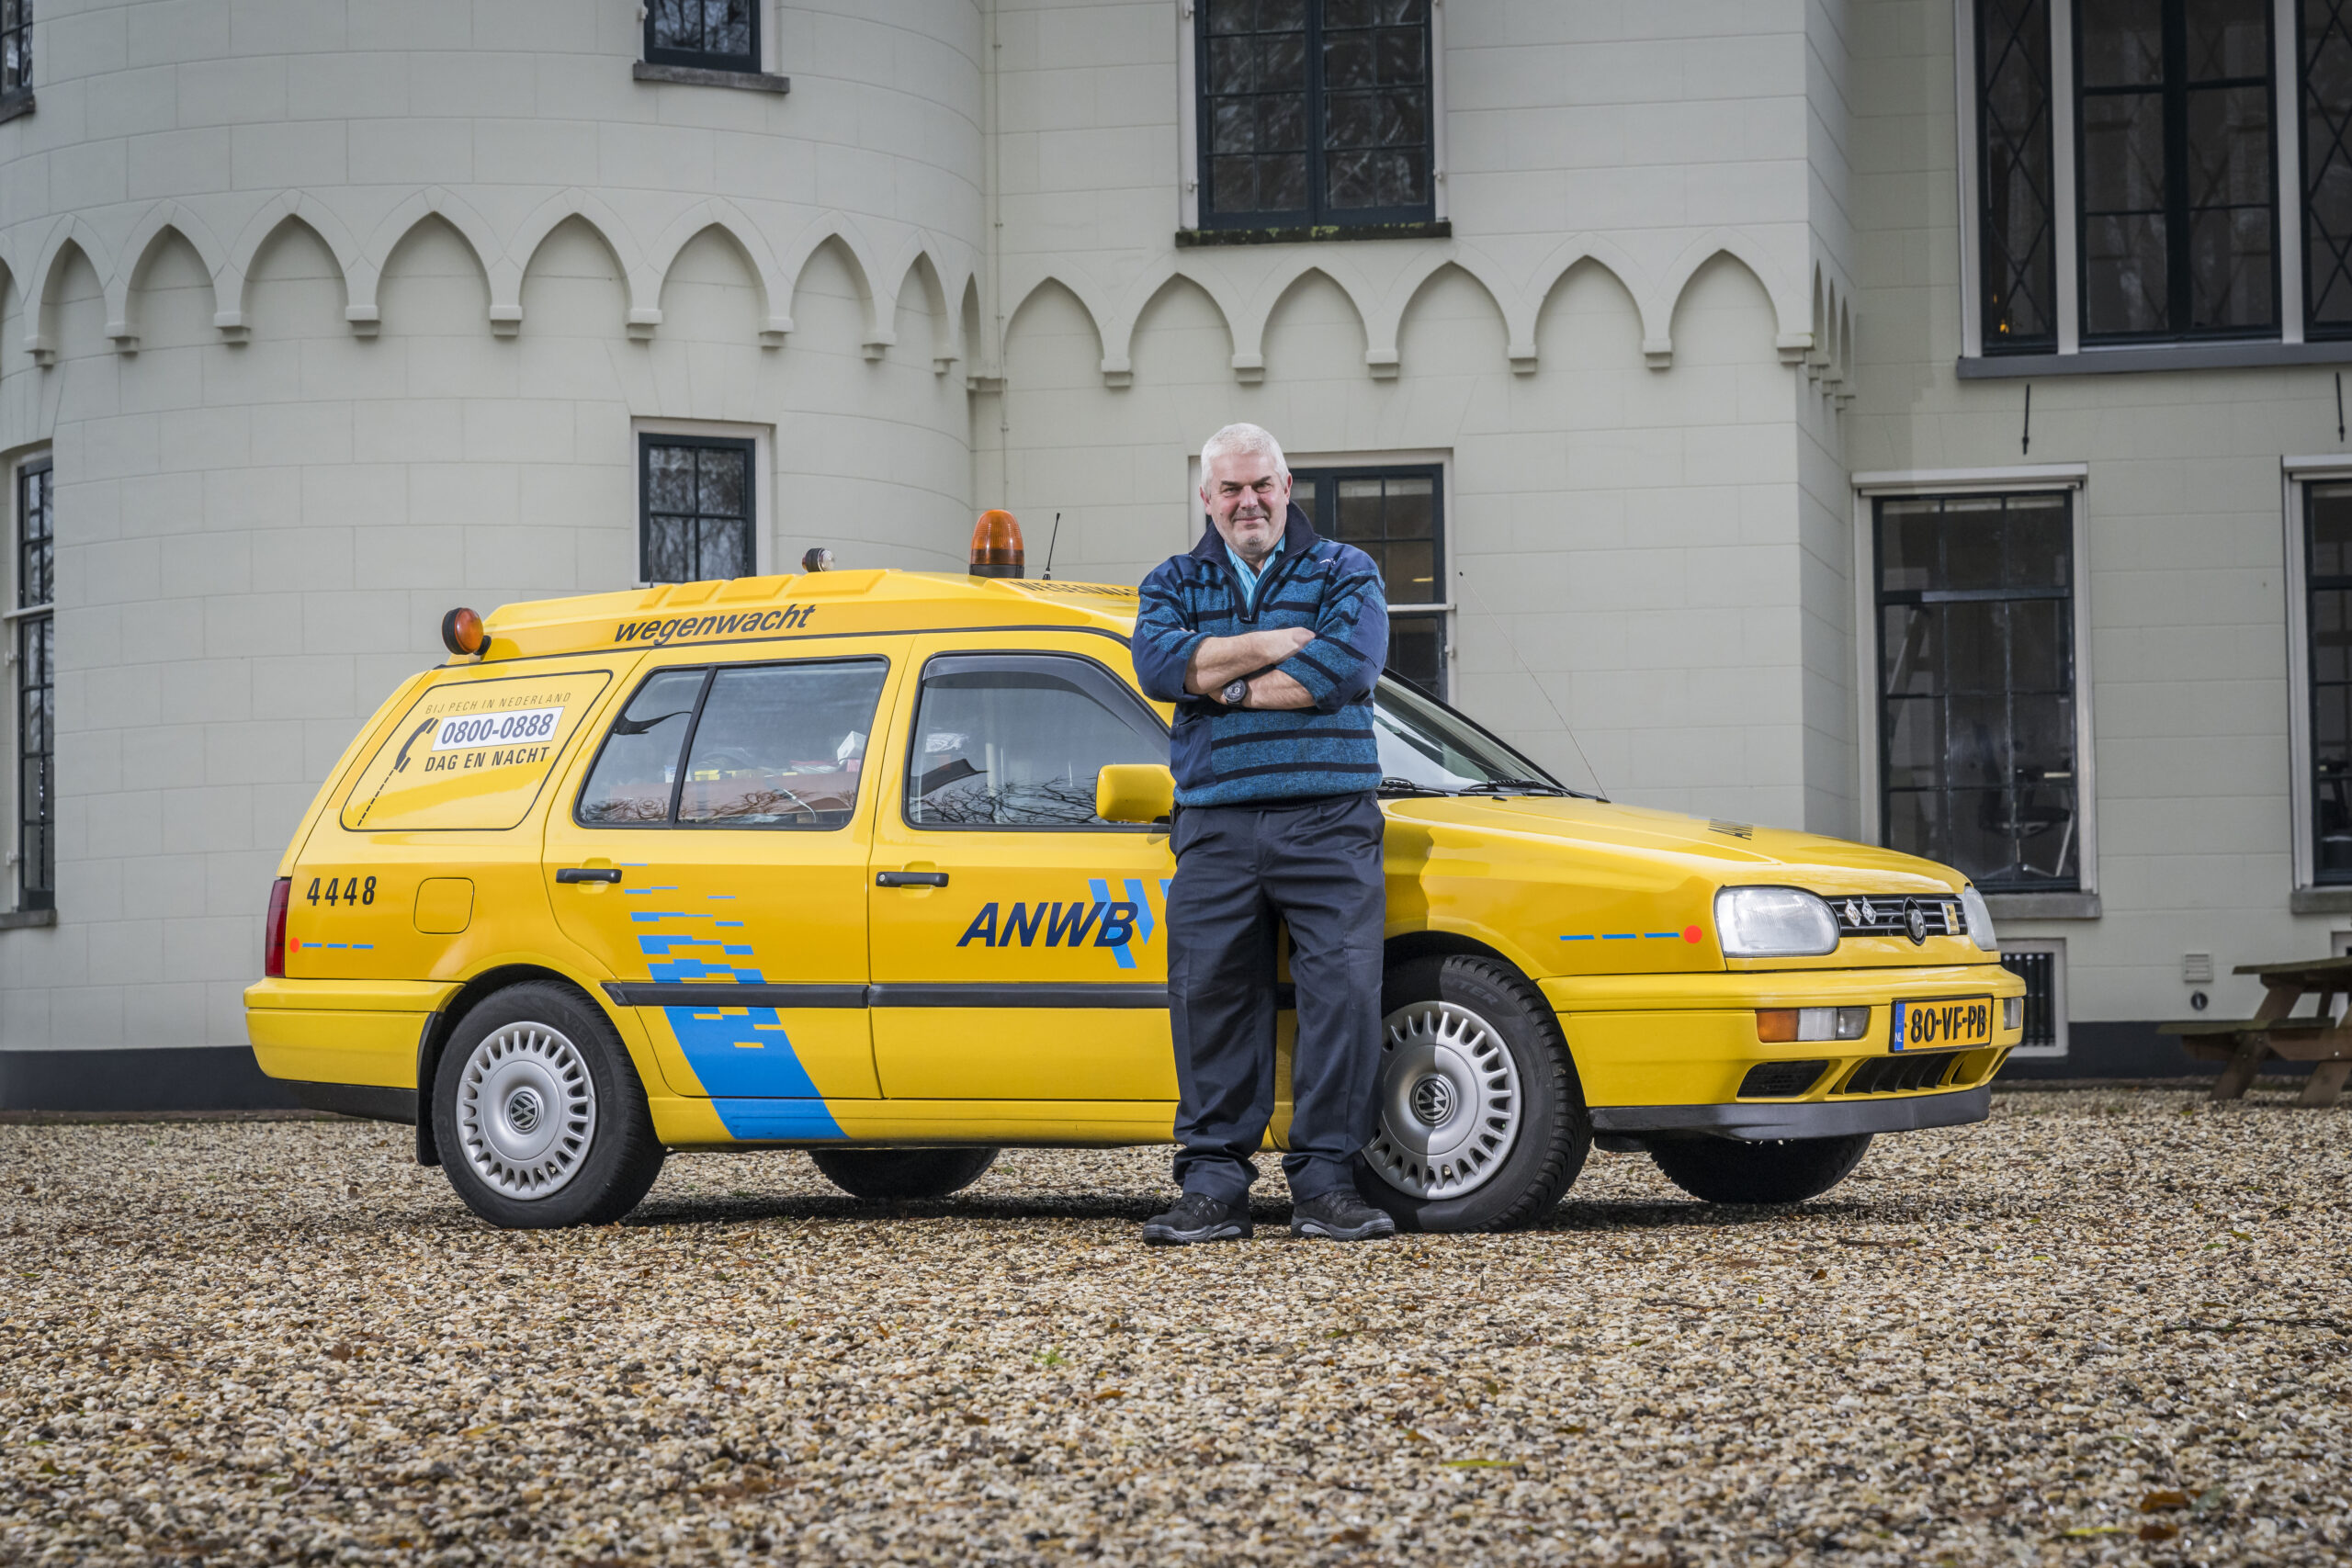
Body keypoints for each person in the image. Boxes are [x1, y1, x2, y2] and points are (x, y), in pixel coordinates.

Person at [1130, 423, 1394, 1245]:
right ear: (1207, 499)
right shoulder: (1171, 580)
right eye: (1231, 489)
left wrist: (1225, 684)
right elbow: (1160, 667)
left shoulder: (1347, 569)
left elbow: (1348, 666)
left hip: (1331, 819)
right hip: (1214, 822)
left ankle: (1326, 1183)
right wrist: (1275, 645)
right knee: (1209, 996)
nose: (1249, 501)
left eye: (1262, 485)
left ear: (1287, 487)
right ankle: (1212, 1184)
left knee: (1343, 998)